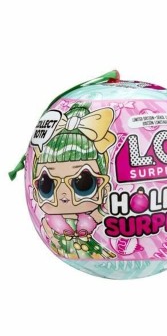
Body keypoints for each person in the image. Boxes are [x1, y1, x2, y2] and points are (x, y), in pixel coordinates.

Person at [32, 102, 117, 260]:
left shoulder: (93, 214)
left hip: (92, 251)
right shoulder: (50, 221)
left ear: (102, 186)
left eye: (83, 184)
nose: (63, 195)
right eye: (47, 184)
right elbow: (47, 231)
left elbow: (104, 212)